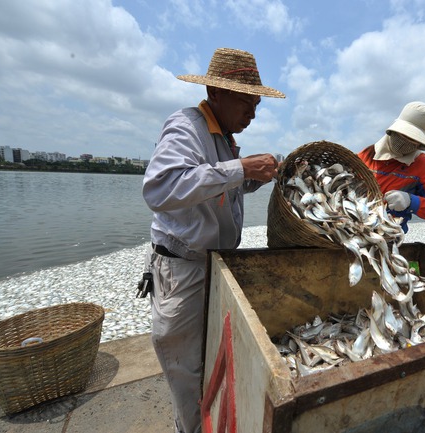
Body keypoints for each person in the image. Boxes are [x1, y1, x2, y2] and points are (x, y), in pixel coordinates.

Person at [141, 47, 285, 433]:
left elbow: (219, 191)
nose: (252, 113)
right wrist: (240, 167)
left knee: (211, 360)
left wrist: (254, 175)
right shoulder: (186, 126)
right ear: (214, 93)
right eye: (245, 102)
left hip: (214, 266)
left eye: (256, 105)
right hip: (183, 270)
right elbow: (162, 188)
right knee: (186, 373)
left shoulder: (224, 138)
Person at [358, 101, 425, 232]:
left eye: (412, 139)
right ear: (392, 131)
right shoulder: (367, 154)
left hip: (389, 235)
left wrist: (411, 202)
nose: (404, 142)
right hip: (352, 227)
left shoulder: (423, 165)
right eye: (402, 135)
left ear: (419, 143)